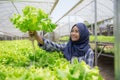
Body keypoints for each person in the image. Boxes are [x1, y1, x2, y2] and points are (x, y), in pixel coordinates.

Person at [29, 23, 94, 67]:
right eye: (72, 31)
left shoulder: (88, 52)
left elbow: (88, 73)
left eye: (77, 31)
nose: (73, 33)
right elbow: (54, 47)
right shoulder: (68, 46)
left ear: (83, 34)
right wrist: (37, 37)